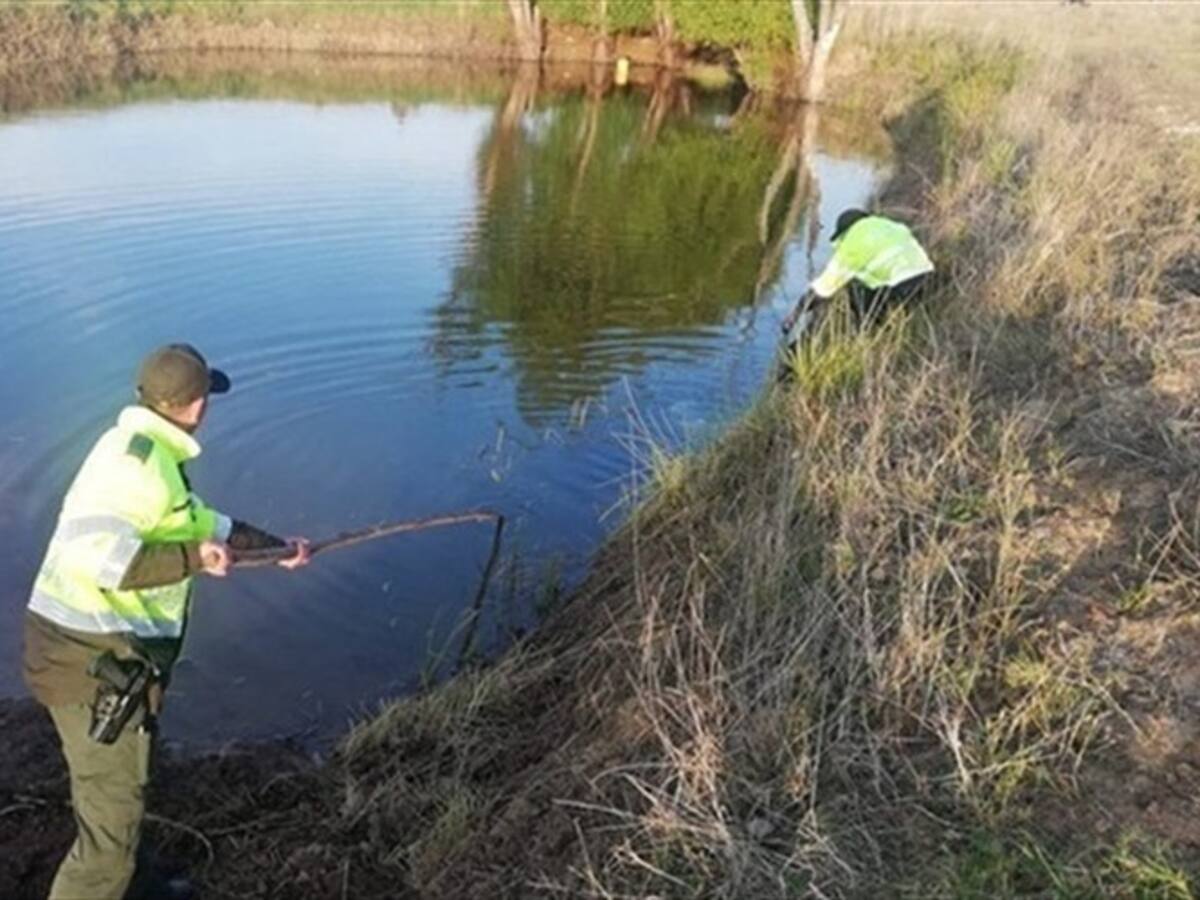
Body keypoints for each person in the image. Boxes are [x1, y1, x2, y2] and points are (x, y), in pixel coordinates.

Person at [22, 343, 311, 900]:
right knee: (109, 822)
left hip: (94, 654)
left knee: (125, 786)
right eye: (208, 398)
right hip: (88, 662)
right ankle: (107, 881)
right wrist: (194, 558)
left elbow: (206, 524)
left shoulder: (145, 452)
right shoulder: (139, 469)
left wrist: (280, 550)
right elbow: (103, 560)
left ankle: (139, 884)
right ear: (196, 406)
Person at [780, 208, 934, 345]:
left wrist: (795, 315)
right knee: (866, 286)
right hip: (927, 279)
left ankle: (868, 335)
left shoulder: (852, 243)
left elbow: (822, 289)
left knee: (855, 292)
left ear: (843, 232)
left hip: (902, 287)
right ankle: (890, 327)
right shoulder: (891, 226)